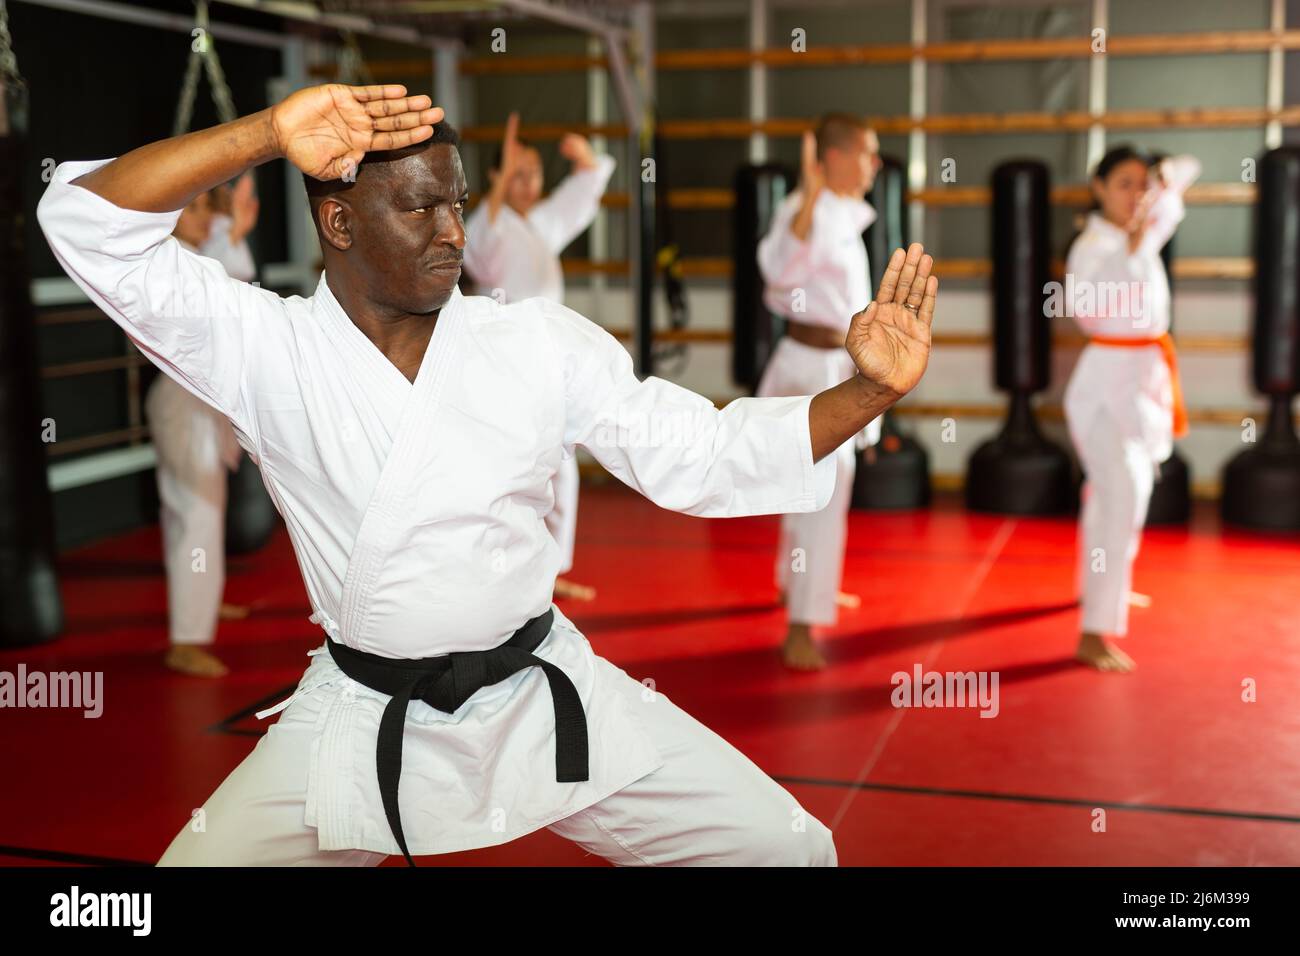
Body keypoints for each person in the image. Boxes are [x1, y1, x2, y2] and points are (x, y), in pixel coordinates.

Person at [38, 83, 937, 866]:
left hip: (542, 691)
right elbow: (82, 220)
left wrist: (867, 391)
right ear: (338, 220)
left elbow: (700, 453)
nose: (454, 232)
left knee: (785, 846)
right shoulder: (265, 350)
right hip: (358, 714)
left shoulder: (532, 341)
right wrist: (270, 132)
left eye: (458, 204)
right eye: (421, 209)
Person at [463, 112, 617, 601]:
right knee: (508, 473)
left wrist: (587, 160)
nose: (529, 184)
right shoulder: (492, 225)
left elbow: (581, 196)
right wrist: (503, 178)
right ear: (496, 176)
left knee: (560, 468)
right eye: (517, 173)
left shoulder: (539, 225)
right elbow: (476, 252)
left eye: (533, 173)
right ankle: (504, 576)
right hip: (500, 366)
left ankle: (549, 572)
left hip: (545, 367)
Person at [1064, 145, 1200, 673]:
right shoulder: (1094, 246)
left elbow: (1189, 171)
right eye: (1124, 183)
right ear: (1098, 188)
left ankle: (1099, 585)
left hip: (1143, 383)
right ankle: (1095, 630)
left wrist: (1166, 174)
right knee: (1121, 496)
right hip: (1105, 388)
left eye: (1143, 184)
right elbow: (1088, 312)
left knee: (1116, 492)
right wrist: (1132, 249)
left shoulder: (1140, 232)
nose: (1137, 194)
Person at [756, 114, 884, 671]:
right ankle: (802, 625)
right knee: (824, 491)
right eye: (866, 152)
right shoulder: (804, 209)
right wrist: (807, 198)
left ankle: (795, 585)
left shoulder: (839, 215)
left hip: (830, 361)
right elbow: (777, 272)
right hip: (811, 366)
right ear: (832, 157)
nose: (874, 163)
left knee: (801, 485)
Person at [149, 173, 260, 678]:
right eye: (194, 209)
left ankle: (201, 600)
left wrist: (233, 228)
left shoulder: (193, 259)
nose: (205, 217)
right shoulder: (165, 261)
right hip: (182, 400)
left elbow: (230, 278)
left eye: (205, 210)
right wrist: (231, 232)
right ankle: (186, 640)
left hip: (199, 399)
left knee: (193, 514)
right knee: (196, 513)